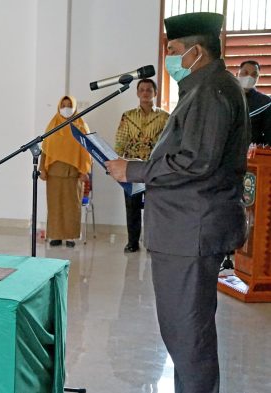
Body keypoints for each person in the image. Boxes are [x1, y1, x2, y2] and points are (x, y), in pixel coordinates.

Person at [106, 12, 249, 393]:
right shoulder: (202, 88)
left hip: (193, 229)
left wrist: (135, 170)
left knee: (189, 334)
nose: (169, 59)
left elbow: (196, 160)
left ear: (197, 52)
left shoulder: (211, 92)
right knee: (184, 331)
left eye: (173, 51)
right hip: (184, 228)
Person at [114, 79, 170, 253]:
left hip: (155, 168)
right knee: (132, 206)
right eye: (142, 90)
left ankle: (154, 242)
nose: (145, 93)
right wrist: (116, 162)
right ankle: (132, 242)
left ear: (155, 93)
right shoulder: (128, 116)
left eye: (149, 90)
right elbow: (120, 142)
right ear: (138, 93)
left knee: (154, 207)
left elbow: (168, 143)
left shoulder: (164, 117)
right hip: (132, 169)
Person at [39, 96, 91, 248]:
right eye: (63, 105)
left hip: (74, 174)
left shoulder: (81, 126)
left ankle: (71, 237)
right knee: (55, 206)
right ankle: (55, 235)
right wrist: (42, 169)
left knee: (72, 205)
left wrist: (85, 170)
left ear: (75, 107)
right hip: (54, 173)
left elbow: (87, 151)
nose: (66, 108)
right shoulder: (52, 126)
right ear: (58, 107)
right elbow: (45, 150)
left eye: (69, 105)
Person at [237, 60, 271, 145]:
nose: (249, 77)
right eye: (245, 73)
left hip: (251, 152)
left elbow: (269, 135)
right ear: (237, 74)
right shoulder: (225, 97)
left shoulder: (264, 103)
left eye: (254, 75)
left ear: (258, 78)